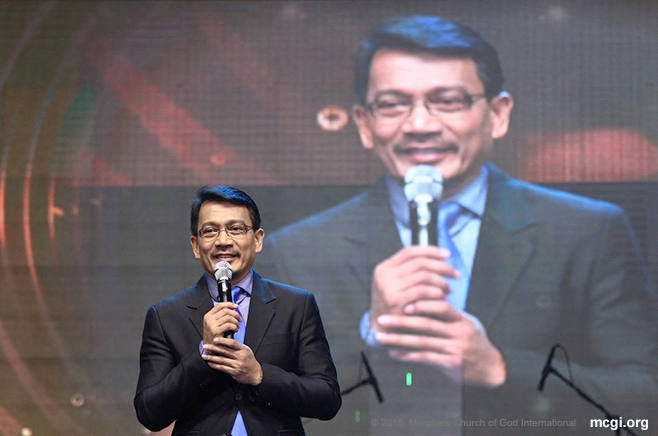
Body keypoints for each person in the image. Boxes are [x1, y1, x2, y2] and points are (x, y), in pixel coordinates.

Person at [258, 16, 658, 435]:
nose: (420, 126)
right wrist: (372, 336)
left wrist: (501, 369)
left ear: (498, 114)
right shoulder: (300, 249)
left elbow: (643, 397)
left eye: (447, 100)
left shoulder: (586, 231)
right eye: (393, 104)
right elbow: (267, 410)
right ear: (364, 123)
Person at [134, 186, 341, 435]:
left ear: (257, 240)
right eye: (210, 231)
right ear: (196, 245)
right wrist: (203, 354)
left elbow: (327, 399)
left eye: (236, 229)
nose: (223, 241)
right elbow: (150, 412)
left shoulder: (297, 305)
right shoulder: (166, 316)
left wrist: (259, 375)